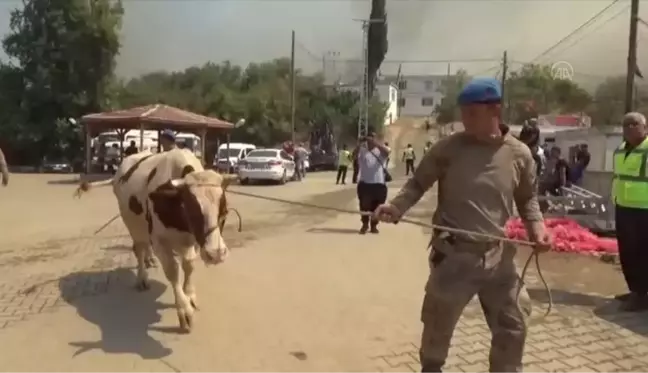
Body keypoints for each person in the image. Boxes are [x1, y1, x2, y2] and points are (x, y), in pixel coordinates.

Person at [374, 77, 550, 373]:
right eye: (463, 112)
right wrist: (396, 207)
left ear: (495, 110)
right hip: (454, 256)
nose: (464, 120)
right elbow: (417, 183)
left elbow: (527, 198)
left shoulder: (520, 154)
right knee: (437, 326)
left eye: (471, 113)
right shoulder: (448, 148)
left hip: (500, 257)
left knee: (513, 325)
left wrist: (538, 229)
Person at [613, 112, 648, 312]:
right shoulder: (620, 150)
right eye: (626, 124)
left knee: (642, 252)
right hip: (623, 207)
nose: (629, 127)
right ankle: (635, 290)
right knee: (627, 251)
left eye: (635, 124)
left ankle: (642, 294)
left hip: (644, 210)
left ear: (645, 127)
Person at [355, 132, 391, 234]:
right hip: (365, 184)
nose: (370, 139)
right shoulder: (362, 150)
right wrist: (359, 144)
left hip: (379, 184)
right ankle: (365, 224)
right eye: (369, 137)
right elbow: (353, 156)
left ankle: (374, 225)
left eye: (373, 137)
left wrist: (376, 143)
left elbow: (388, 153)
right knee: (364, 206)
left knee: (377, 207)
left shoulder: (381, 150)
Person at [538, 147, 569, 212]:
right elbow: (551, 173)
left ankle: (545, 206)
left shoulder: (561, 162)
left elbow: (562, 175)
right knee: (542, 185)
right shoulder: (556, 162)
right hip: (556, 182)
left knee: (542, 187)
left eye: (553, 152)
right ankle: (545, 205)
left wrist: (562, 186)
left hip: (559, 183)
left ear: (557, 153)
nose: (551, 154)